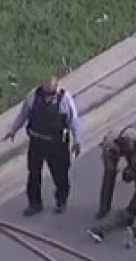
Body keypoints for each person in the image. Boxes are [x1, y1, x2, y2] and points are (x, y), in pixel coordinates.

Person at [5, 76, 83, 216]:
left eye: (50, 84)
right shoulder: (33, 97)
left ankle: (61, 201)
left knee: (60, 175)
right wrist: (13, 131)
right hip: (37, 144)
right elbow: (23, 115)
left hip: (57, 145)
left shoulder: (65, 99)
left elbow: (74, 121)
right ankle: (34, 204)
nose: (47, 90)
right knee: (34, 175)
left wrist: (77, 141)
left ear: (57, 83)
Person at [96, 126, 136, 220]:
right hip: (112, 149)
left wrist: (130, 170)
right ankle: (104, 208)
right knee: (109, 176)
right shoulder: (109, 144)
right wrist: (113, 169)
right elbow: (108, 164)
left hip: (133, 148)